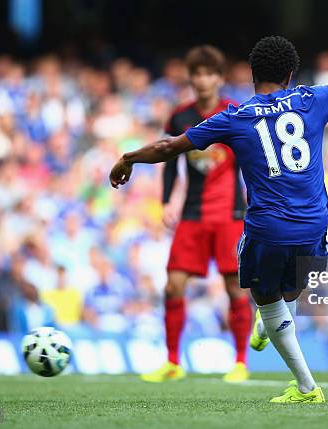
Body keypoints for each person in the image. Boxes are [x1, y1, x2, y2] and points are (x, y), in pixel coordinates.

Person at [110, 27, 328, 403]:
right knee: (289, 293)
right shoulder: (313, 99)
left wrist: (128, 159)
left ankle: (305, 385)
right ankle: (270, 323)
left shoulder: (234, 117)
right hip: (315, 223)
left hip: (268, 228)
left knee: (266, 297)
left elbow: (168, 146)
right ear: (290, 75)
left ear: (253, 76)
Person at [140, 45, 252, 384]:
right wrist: (165, 202)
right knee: (173, 286)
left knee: (235, 288)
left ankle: (240, 362)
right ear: (191, 78)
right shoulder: (180, 117)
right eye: (197, 74)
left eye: (209, 73)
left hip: (230, 213)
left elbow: (250, 159)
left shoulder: (234, 112)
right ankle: (173, 361)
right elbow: (170, 162)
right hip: (191, 212)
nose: (203, 80)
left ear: (219, 78)